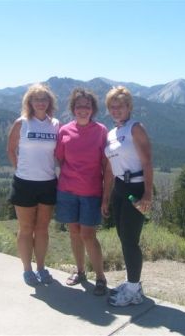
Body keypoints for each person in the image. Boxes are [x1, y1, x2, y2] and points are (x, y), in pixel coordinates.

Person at [102, 86, 153, 306]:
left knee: (131, 241)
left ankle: (133, 291)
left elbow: (147, 162)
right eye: (112, 107)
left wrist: (148, 195)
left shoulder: (135, 128)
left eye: (120, 106)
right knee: (124, 238)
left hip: (136, 189)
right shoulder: (111, 133)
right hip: (120, 189)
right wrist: (106, 198)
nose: (116, 110)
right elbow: (110, 168)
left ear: (128, 107)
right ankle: (132, 283)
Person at [55, 88, 109, 296]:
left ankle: (101, 277)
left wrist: (106, 195)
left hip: (91, 192)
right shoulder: (64, 131)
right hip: (67, 191)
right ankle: (80, 271)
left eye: (87, 106)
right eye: (79, 106)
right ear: (73, 109)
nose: (83, 110)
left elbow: (106, 164)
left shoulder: (101, 131)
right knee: (74, 233)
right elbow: (60, 158)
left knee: (88, 235)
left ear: (93, 109)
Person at [7, 83, 60, 286]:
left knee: (43, 228)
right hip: (24, 184)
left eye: (44, 99)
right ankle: (27, 270)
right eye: (36, 99)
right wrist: (20, 170)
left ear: (49, 102)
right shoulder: (21, 123)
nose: (40, 102)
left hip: (48, 183)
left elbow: (59, 153)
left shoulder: (55, 124)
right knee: (26, 228)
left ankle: (41, 267)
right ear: (29, 102)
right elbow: (11, 150)